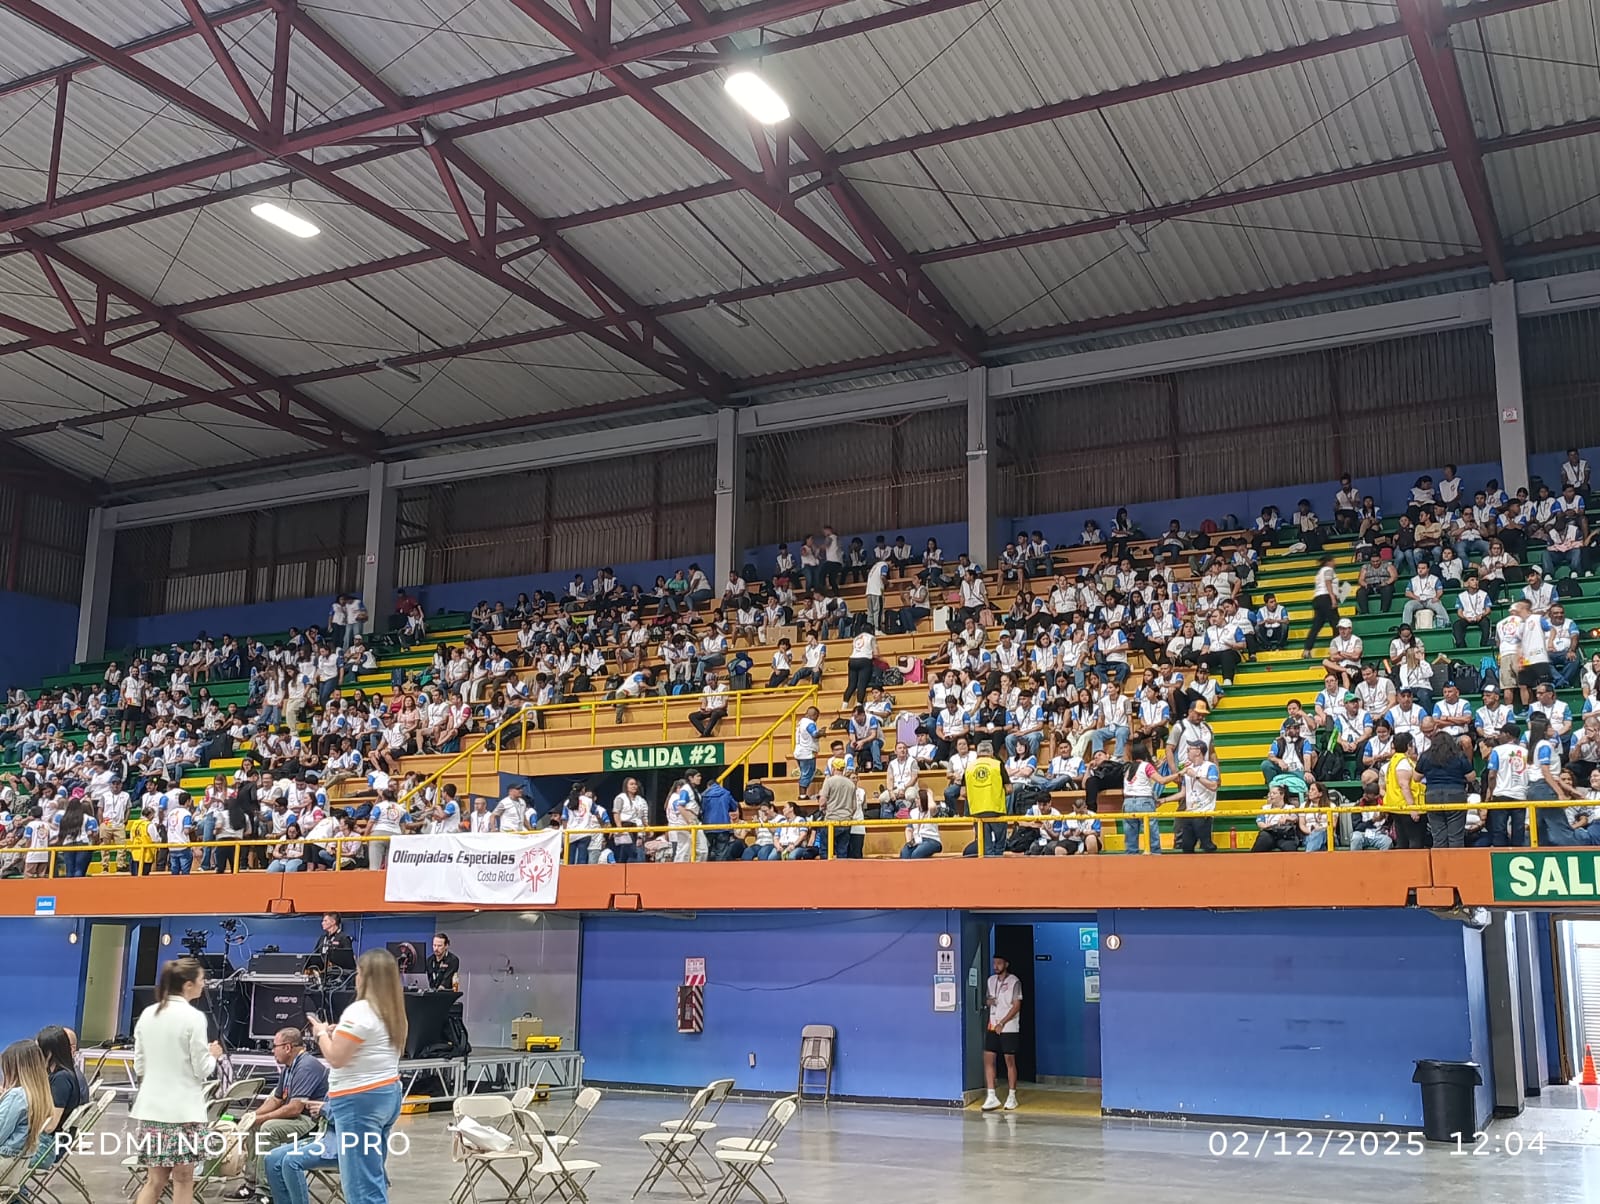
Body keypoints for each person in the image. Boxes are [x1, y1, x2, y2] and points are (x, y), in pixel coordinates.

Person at [303, 950, 406, 1204]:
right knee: (372, 1175)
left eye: (359, 973)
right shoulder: (394, 1013)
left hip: (359, 1101)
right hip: (387, 1094)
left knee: (360, 1185)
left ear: (366, 978)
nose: (356, 979)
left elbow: (336, 1058)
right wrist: (340, 1033)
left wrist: (321, 1033)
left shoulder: (360, 1011)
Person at [130, 958, 223, 1204]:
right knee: (183, 1179)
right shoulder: (194, 1017)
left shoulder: (148, 1014)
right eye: (201, 980)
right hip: (184, 1112)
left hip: (152, 1110)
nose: (204, 984)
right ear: (188, 985)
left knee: (154, 1181)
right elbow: (202, 1069)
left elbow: (139, 1065)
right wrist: (213, 1056)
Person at [228, 1028, 328, 1201]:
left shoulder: (306, 1066)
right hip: (298, 1118)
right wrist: (252, 1116)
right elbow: (276, 1099)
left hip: (312, 1122)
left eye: (274, 1046)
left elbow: (295, 1108)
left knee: (268, 1128)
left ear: (287, 1047)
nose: (272, 1050)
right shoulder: (289, 1067)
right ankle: (251, 1184)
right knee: (254, 1125)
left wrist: (262, 1118)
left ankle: (266, 1191)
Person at [36, 1024, 86, 1158]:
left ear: (49, 1052)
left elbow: (49, 1126)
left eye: (38, 1050)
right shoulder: (63, 1074)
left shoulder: (61, 1079)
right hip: (53, 1143)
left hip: (49, 1148)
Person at [981, 955, 1022, 1112]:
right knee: (988, 1058)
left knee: (1009, 1061)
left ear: (1006, 964)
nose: (995, 966)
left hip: (1009, 1026)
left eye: (999, 963)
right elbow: (987, 999)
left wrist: (1003, 1023)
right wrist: (988, 1002)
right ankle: (991, 1095)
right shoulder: (991, 981)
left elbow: (1016, 1005)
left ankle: (1012, 1096)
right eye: (994, 963)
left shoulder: (1014, 981)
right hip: (993, 1024)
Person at [0, 1039, 53, 1160]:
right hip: (18, 1160)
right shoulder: (40, 1094)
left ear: (13, 1069)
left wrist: (7, 1100)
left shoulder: (16, 1096)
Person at [964, 741, 1009, 858]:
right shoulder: (997, 764)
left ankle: (990, 864)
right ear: (992, 753)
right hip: (996, 810)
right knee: (999, 844)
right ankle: (999, 861)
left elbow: (963, 792)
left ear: (977, 753)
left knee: (986, 848)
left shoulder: (969, 767)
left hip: (977, 811)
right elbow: (1009, 789)